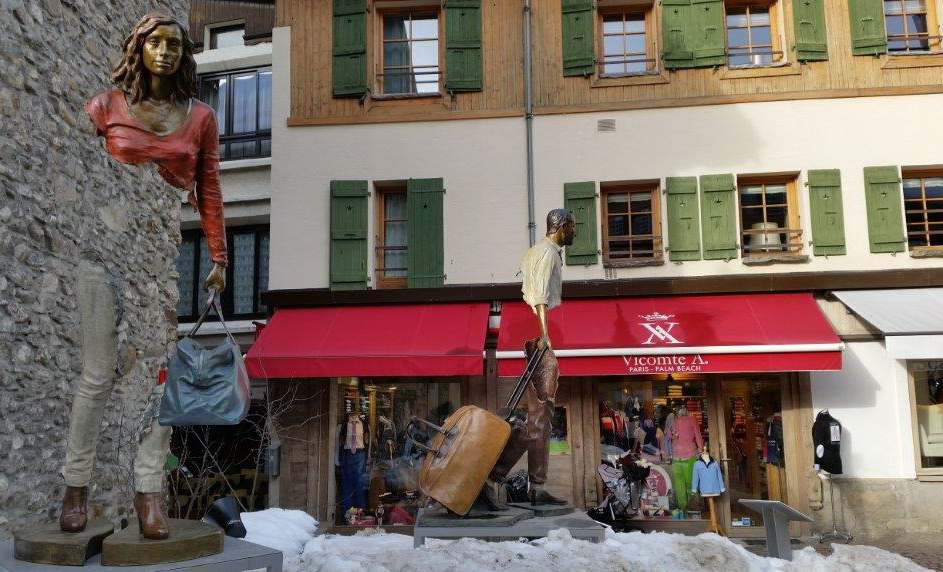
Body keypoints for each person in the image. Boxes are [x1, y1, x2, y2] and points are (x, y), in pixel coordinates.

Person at [60, 13, 227, 540]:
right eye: (155, 42)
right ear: (138, 47)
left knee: (162, 382)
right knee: (96, 373)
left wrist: (219, 258)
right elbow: (75, 169)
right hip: (100, 250)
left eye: (175, 44)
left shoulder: (200, 117)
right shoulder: (103, 107)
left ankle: (148, 489)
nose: (165, 51)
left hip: (157, 259)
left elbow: (211, 189)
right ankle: (75, 487)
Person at [481, 209, 575, 509]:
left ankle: (528, 483)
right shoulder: (545, 253)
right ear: (560, 227)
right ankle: (504, 478)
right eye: (572, 227)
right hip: (538, 336)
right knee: (539, 416)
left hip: (536, 334)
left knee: (539, 416)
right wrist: (545, 336)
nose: (575, 232)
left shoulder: (544, 251)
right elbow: (538, 296)